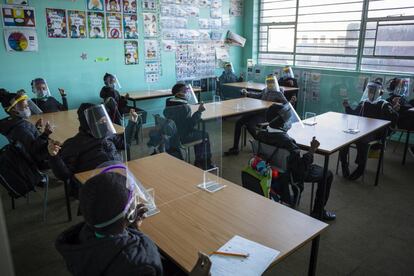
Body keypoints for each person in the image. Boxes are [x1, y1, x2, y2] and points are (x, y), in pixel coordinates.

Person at [55, 168, 212, 276]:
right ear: (129, 214)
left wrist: (133, 228)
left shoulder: (84, 234)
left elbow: (111, 243)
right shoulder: (138, 266)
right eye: (131, 201)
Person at [257, 103, 336, 221]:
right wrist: (311, 150)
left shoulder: (261, 133)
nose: (288, 122)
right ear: (280, 122)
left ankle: (293, 196)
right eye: (286, 119)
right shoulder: (288, 143)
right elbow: (300, 171)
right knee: (327, 174)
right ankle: (318, 212)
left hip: (269, 171)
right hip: (290, 175)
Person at [47, 104, 140, 195]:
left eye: (105, 120)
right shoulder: (74, 144)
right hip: (94, 186)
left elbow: (124, 143)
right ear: (90, 123)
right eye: (101, 121)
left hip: (117, 176)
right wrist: (54, 157)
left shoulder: (107, 134)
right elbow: (64, 175)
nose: (105, 124)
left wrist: (131, 123)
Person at [340, 80, 399, 180]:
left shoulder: (383, 104)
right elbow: (354, 115)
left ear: (379, 92)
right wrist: (347, 107)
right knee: (344, 140)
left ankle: (361, 167)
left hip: (375, 134)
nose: (370, 92)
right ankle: (344, 164)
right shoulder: (364, 103)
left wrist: (394, 109)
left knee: (363, 141)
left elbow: (394, 118)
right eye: (369, 90)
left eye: (373, 90)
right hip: (361, 131)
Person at [225, 74, 296, 156]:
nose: (270, 84)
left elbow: (286, 106)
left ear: (275, 82)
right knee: (239, 122)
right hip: (257, 112)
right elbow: (258, 95)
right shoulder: (265, 90)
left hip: (265, 116)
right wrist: (247, 93)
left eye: (272, 82)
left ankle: (261, 143)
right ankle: (235, 148)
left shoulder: (278, 93)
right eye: (268, 82)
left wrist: (291, 102)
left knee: (250, 125)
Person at [163, 83, 213, 169]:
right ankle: (204, 163)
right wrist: (199, 112)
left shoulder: (169, 101)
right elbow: (190, 125)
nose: (188, 92)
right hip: (182, 136)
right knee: (205, 135)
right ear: (178, 93)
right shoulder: (184, 107)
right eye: (185, 91)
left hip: (173, 135)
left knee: (199, 133)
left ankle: (199, 160)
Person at [0, 89, 51, 168]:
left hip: (30, 158)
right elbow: (35, 149)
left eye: (27, 106)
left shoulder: (15, 123)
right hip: (39, 161)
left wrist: (36, 128)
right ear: (14, 110)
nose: (28, 109)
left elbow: (28, 140)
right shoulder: (20, 128)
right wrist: (45, 134)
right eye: (25, 107)